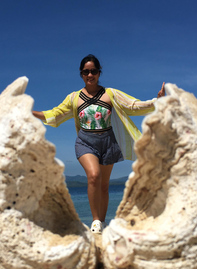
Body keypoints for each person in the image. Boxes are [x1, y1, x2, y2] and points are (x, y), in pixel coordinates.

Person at [32, 54, 165, 234]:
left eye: (93, 71)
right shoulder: (74, 98)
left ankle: (101, 222)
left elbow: (133, 106)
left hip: (108, 142)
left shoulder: (110, 94)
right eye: (86, 72)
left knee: (104, 185)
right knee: (93, 176)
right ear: (81, 74)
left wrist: (157, 101)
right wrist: (32, 113)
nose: (90, 75)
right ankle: (95, 220)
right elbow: (56, 114)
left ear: (99, 72)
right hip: (85, 141)